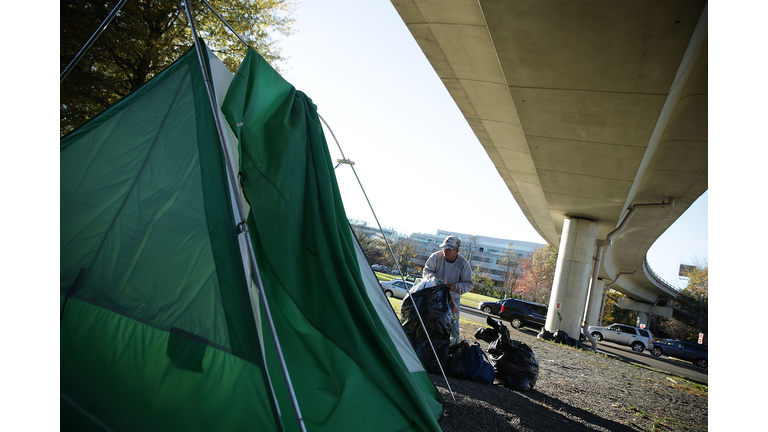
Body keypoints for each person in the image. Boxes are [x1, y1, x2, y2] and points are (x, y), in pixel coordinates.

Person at [422, 235, 473, 346]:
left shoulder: (463, 264)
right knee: (430, 323)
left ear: (457, 250)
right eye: (444, 248)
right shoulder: (436, 257)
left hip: (453, 299)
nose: (445, 251)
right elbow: (426, 271)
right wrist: (432, 278)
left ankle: (453, 350)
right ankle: (430, 347)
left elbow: (469, 284)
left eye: (449, 249)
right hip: (435, 297)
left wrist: (455, 287)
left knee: (454, 328)